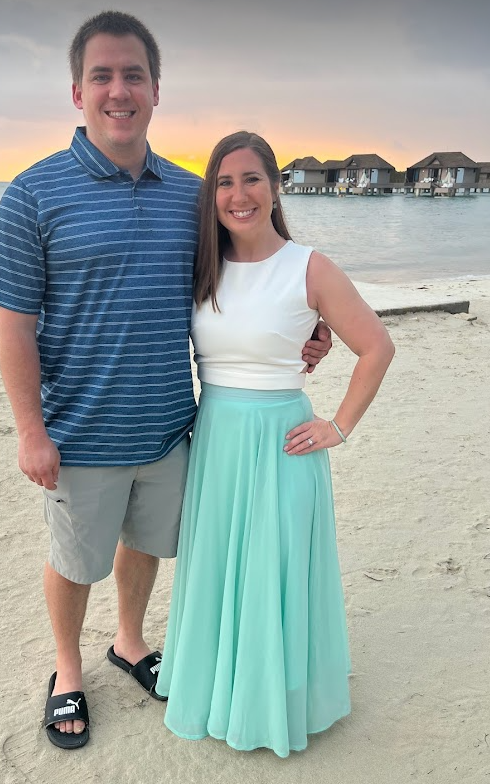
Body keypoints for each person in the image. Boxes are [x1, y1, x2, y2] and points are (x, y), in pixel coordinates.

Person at [0, 12, 331, 750]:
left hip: (173, 427)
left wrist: (309, 321)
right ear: (77, 91)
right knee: (75, 558)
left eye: (132, 74)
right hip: (79, 430)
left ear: (156, 89)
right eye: (102, 75)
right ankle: (68, 668)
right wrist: (30, 432)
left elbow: (245, 270)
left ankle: (130, 642)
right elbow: (13, 325)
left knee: (144, 545)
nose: (118, 89)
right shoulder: (32, 193)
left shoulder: (187, 194)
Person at [156, 131, 395, 757]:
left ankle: (274, 705)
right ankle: (218, 693)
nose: (239, 194)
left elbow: (377, 346)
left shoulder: (309, 265)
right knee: (219, 571)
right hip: (217, 437)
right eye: (225, 183)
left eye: (252, 179)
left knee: (274, 572)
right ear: (212, 195)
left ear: (275, 186)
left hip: (283, 439)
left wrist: (338, 426)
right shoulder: (201, 266)